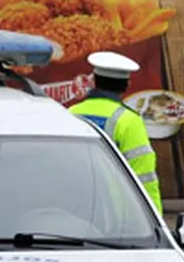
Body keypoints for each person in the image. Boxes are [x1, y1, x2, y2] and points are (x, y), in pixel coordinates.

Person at [68, 52, 163, 214]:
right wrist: (156, 222)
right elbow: (144, 176)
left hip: (73, 208)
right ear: (126, 85)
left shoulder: (70, 113)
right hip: (115, 215)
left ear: (94, 81)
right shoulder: (128, 120)